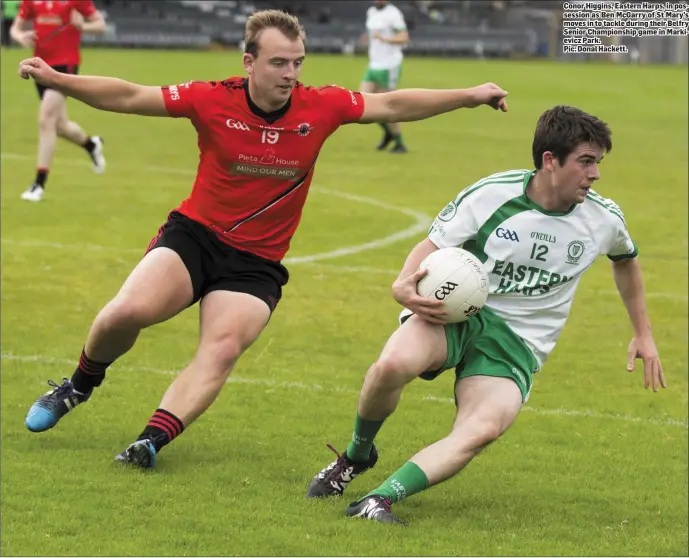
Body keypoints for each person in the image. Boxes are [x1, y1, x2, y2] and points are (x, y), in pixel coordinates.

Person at [19, 9, 508, 469]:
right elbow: (129, 96)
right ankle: (78, 386)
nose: (290, 73)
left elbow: (394, 102)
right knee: (126, 312)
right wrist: (59, 80)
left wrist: (469, 94)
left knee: (222, 348)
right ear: (248, 61)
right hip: (195, 237)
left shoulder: (323, 106)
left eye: (297, 62)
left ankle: (150, 441)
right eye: (278, 62)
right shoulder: (211, 98)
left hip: (257, 263)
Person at [305, 105, 666, 525]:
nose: (595, 174)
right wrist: (402, 282)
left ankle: (379, 500)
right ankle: (357, 455)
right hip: (460, 313)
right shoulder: (492, 194)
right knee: (392, 364)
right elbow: (433, 244)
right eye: (586, 161)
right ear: (550, 161)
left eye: (598, 163)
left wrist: (643, 332)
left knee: (481, 429)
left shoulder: (603, 219)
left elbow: (626, 261)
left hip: (518, 342)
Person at [10, 0, 106, 202]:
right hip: (39, 65)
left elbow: (100, 25)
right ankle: (91, 145)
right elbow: (15, 28)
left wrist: (82, 26)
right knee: (59, 125)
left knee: (46, 119)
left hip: (65, 64)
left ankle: (39, 184)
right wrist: (21, 36)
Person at [361, 0, 409, 153]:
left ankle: (399, 143)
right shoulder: (371, 12)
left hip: (389, 65)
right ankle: (389, 133)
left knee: (388, 105)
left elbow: (404, 37)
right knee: (363, 103)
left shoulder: (393, 14)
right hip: (374, 64)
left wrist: (385, 39)